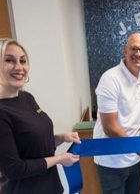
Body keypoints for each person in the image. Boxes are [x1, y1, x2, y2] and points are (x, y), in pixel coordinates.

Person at [0, 38, 80, 194]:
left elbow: (33, 143)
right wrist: (59, 159)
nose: (19, 67)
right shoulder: (2, 112)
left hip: (52, 187)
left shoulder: (26, 98)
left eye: (23, 61)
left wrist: (61, 138)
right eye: (9, 60)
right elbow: (15, 169)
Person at [93, 33, 140, 194]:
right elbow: (110, 127)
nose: (138, 54)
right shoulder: (110, 79)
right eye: (134, 49)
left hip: (134, 161)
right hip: (111, 162)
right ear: (125, 51)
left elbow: (135, 119)